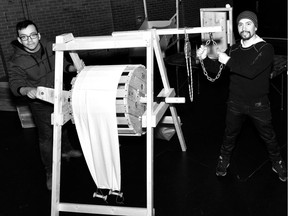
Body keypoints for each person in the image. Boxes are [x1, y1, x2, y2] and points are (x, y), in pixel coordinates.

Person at [196, 11, 287, 182]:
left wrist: (226, 59)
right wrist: (205, 59)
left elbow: (250, 71)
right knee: (229, 134)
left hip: (258, 104)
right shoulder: (235, 47)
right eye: (240, 24)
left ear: (256, 26)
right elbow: (217, 69)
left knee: (269, 137)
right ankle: (224, 160)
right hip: (235, 101)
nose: (244, 28)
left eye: (248, 24)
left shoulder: (265, 48)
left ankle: (278, 162)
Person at [8, 20, 82, 190]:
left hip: (60, 95)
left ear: (39, 35)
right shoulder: (15, 61)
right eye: (24, 37)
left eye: (33, 35)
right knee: (46, 137)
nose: (30, 40)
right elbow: (14, 84)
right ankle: (50, 171)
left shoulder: (51, 47)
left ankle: (66, 150)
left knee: (63, 124)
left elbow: (63, 65)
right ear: (19, 40)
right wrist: (26, 90)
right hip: (40, 102)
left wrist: (74, 68)